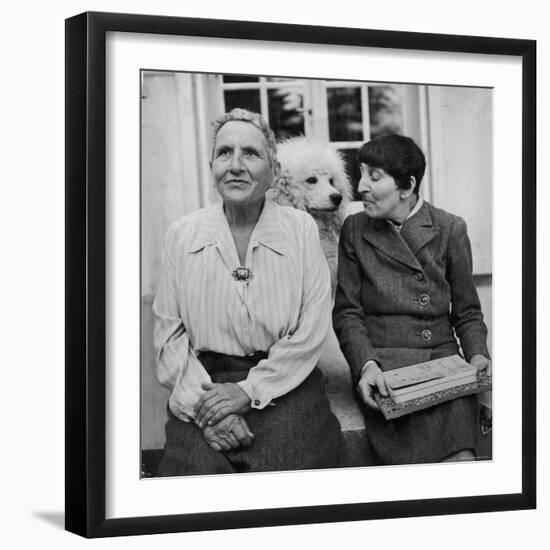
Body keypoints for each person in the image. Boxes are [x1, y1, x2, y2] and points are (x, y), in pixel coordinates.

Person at [153, 108, 341, 475]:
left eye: (250, 154)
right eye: (225, 153)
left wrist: (248, 390)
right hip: (204, 386)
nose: (235, 165)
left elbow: (312, 327)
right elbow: (168, 338)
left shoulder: (300, 229)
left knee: (293, 484)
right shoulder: (183, 234)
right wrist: (205, 411)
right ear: (212, 165)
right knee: (191, 485)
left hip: (286, 384)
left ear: (273, 170)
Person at [333, 134, 491, 465]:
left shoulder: (449, 228)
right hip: (383, 370)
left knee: (461, 463)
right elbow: (348, 313)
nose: (361, 186)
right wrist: (366, 365)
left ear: (407, 186)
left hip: (443, 365)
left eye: (374, 177)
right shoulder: (354, 228)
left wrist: (477, 356)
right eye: (361, 173)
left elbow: (467, 313)